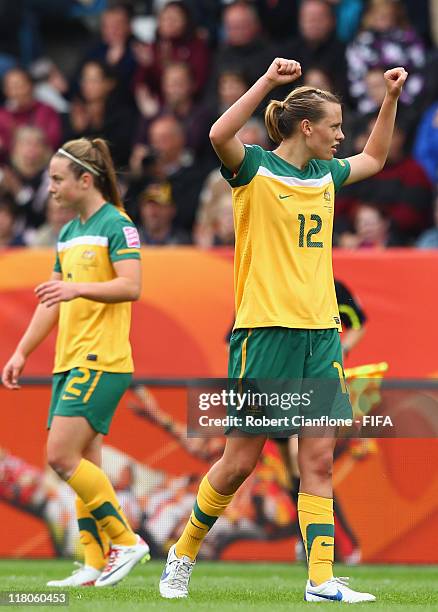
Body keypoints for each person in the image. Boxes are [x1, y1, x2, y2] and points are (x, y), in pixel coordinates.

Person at [159, 57, 407, 603]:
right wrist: (269, 82)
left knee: (317, 459)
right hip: (264, 334)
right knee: (239, 463)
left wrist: (389, 98)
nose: (343, 135)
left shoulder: (327, 175)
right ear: (307, 127)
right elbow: (218, 132)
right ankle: (182, 553)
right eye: (336, 126)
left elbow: (376, 156)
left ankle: (320, 579)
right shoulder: (254, 170)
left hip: (320, 336)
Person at [1, 137, 150, 587]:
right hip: (70, 360)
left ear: (86, 180)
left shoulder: (117, 225)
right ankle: (92, 562)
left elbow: (131, 286)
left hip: (101, 359)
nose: (50, 188)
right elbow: (51, 301)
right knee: (85, 464)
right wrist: (22, 351)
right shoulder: (68, 234)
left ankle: (126, 541)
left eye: (57, 179)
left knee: (60, 457)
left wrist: (78, 289)